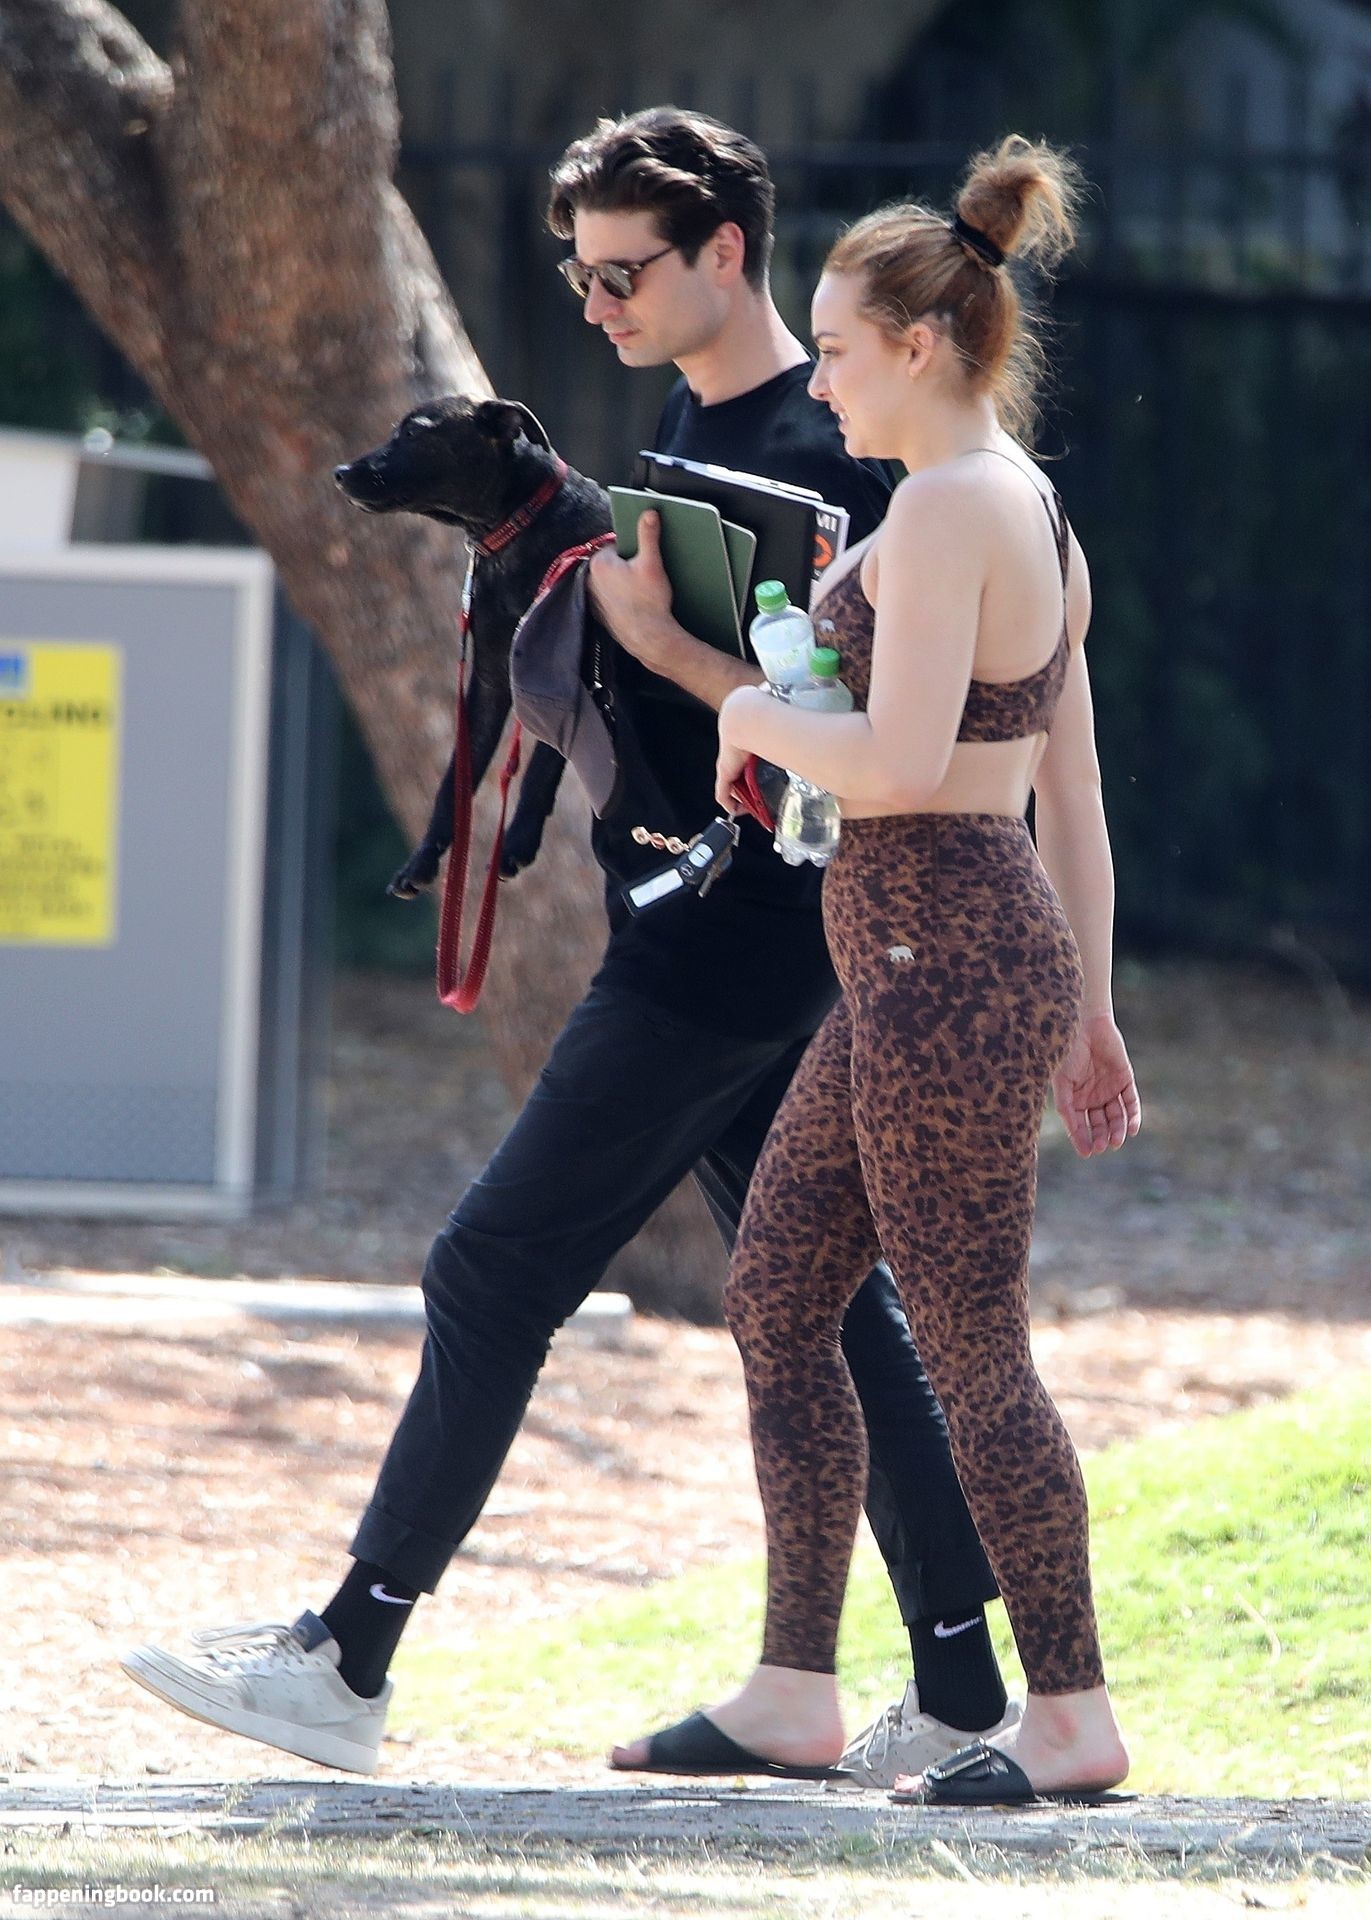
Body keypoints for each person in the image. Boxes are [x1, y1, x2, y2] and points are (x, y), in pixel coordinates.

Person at [120, 107, 1010, 1784]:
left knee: (493, 1269)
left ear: (724, 252)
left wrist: (656, 649)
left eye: (623, 273)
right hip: (704, 918)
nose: (595, 304)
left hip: (735, 944)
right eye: (577, 274)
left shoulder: (835, 453)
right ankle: (953, 1686)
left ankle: (348, 1654)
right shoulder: (697, 413)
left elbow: (853, 735)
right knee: (830, 1303)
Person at [612, 135, 1141, 1803]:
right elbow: (1075, 799)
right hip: (939, 954)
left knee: (972, 1343)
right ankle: (793, 1686)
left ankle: (1071, 1716)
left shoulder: (949, 508)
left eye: (839, 349)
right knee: (778, 1293)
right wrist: (1092, 1005)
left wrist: (749, 711)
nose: (821, 378)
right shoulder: (1026, 504)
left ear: (919, 346)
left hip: (941, 959)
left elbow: (905, 762)